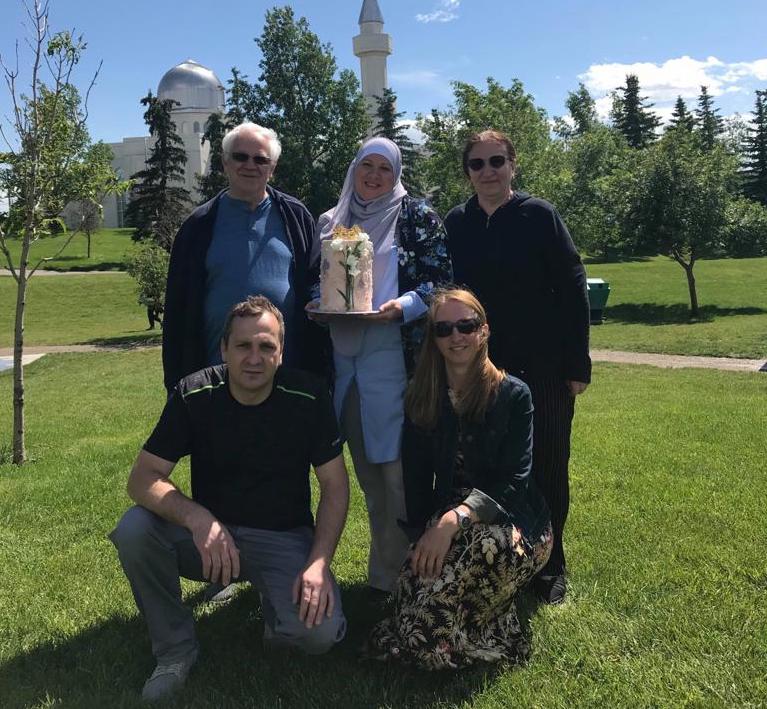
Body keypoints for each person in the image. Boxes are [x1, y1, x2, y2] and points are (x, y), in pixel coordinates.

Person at [110, 296, 349, 702]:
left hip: (282, 535)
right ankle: (174, 649)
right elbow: (142, 479)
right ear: (224, 349)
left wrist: (318, 563)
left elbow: (335, 487)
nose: (254, 358)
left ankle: (277, 612)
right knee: (134, 529)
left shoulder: (307, 396)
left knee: (319, 636)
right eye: (243, 346)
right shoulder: (195, 393)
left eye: (266, 347)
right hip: (210, 542)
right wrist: (198, 519)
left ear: (281, 352)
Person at [367, 288, 552, 669]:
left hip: (512, 523)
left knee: (430, 616)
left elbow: (516, 480)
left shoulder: (514, 395)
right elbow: (417, 479)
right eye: (444, 329)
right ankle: (461, 633)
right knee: (417, 589)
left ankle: (474, 643)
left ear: (484, 331)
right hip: (447, 522)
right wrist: (423, 534)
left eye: (466, 326)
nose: (456, 336)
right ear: (432, 339)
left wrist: (453, 520)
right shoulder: (422, 397)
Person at [444, 130, 591, 604]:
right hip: (478, 368)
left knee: (547, 464)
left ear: (513, 165)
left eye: (496, 162)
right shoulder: (457, 223)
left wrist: (577, 363)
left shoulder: (539, 216)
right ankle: (502, 557)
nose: (487, 171)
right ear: (466, 171)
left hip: (542, 366)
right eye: (477, 164)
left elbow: (573, 287)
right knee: (485, 467)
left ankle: (550, 565)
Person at [310, 137, 452, 596]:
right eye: (366, 166)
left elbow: (442, 281)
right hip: (341, 355)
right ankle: (383, 576)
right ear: (353, 169)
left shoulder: (415, 216)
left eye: (384, 169)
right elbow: (319, 281)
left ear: (396, 174)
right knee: (367, 473)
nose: (373, 175)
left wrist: (405, 305)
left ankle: (410, 575)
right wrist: (319, 301)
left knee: (396, 472)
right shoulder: (333, 221)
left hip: (390, 350)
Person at [162, 121, 325, 395]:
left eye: (261, 159)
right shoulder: (198, 225)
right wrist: (176, 384)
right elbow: (177, 310)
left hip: (289, 377)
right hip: (214, 379)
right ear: (225, 162)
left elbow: (315, 281)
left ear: (272, 169)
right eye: (240, 156)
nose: (250, 165)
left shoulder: (296, 217)